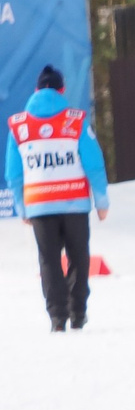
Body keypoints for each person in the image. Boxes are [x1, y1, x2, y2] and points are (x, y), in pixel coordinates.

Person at [6, 65, 110, 331]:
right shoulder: (75, 121)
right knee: (78, 257)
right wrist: (101, 202)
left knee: (49, 261)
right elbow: (94, 164)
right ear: (63, 90)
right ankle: (78, 314)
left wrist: (22, 208)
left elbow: (13, 174)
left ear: (36, 90)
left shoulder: (19, 126)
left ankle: (57, 318)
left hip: (39, 206)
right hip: (75, 205)